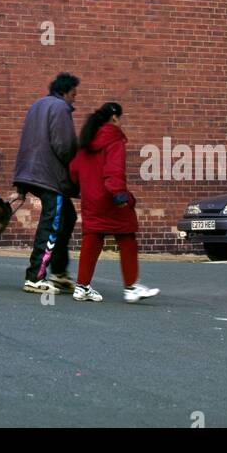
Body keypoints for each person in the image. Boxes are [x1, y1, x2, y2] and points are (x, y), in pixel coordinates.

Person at [68, 101, 159, 303]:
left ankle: (82, 287)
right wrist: (119, 195)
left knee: (92, 239)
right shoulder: (114, 140)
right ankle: (131, 287)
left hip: (91, 199)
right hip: (111, 197)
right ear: (115, 117)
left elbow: (74, 171)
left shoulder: (86, 141)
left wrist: (83, 189)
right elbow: (114, 169)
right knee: (127, 238)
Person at [12, 73, 81, 293]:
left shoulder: (37, 106)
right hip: (50, 177)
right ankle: (35, 276)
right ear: (64, 91)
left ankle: (59, 273)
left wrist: (21, 186)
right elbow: (65, 146)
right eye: (73, 94)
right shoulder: (60, 108)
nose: (74, 100)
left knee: (66, 217)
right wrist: (77, 171)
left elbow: (28, 141)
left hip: (31, 172)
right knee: (52, 223)